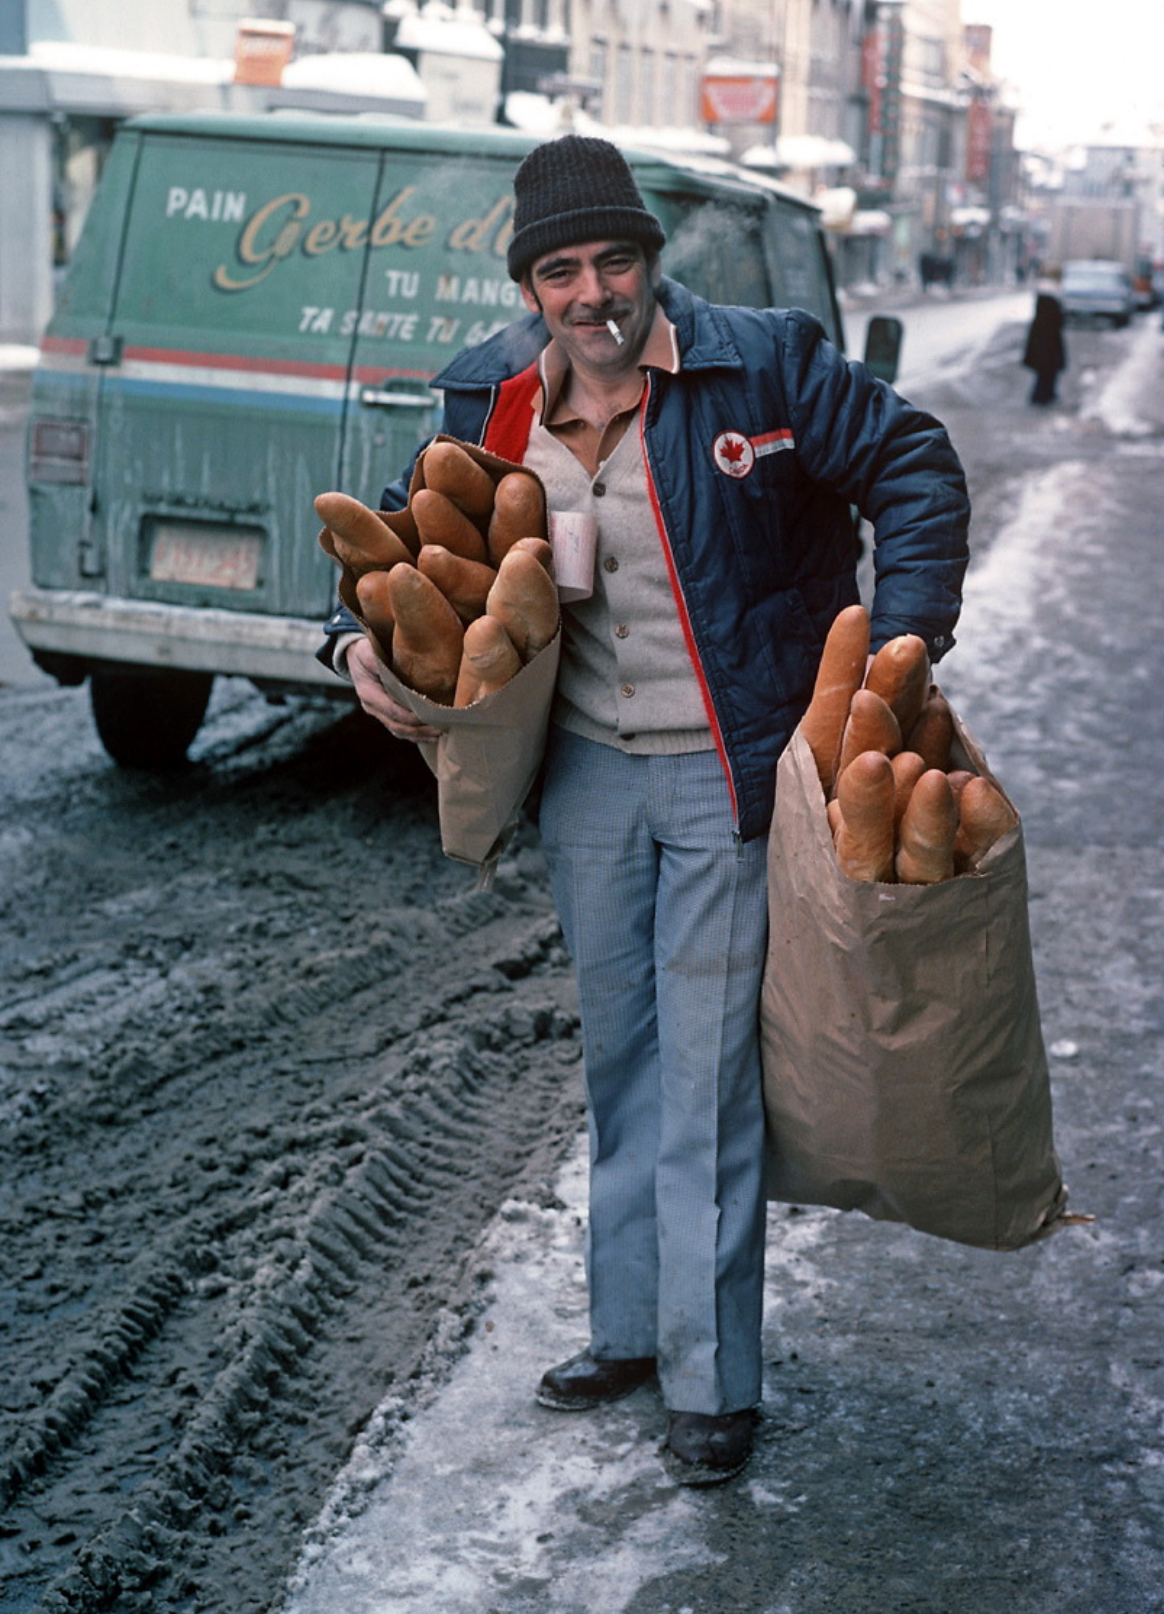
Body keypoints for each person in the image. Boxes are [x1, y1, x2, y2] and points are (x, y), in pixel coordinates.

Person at [320, 134, 970, 1486]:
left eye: (614, 260)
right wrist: (347, 648)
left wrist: (898, 653)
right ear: (530, 287)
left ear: (650, 261)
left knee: (707, 1075)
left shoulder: (763, 364)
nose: (592, 293)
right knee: (619, 1056)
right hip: (585, 775)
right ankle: (627, 1327)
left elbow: (912, 464)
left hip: (730, 769)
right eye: (560, 271)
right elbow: (397, 539)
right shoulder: (489, 397)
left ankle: (711, 1374)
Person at [1022, 269, 1065, 405]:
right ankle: (1042, 396)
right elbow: (1057, 320)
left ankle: (1045, 395)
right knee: (1047, 370)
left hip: (1044, 339)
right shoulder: (1050, 297)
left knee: (1046, 370)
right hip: (1048, 341)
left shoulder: (1045, 296)